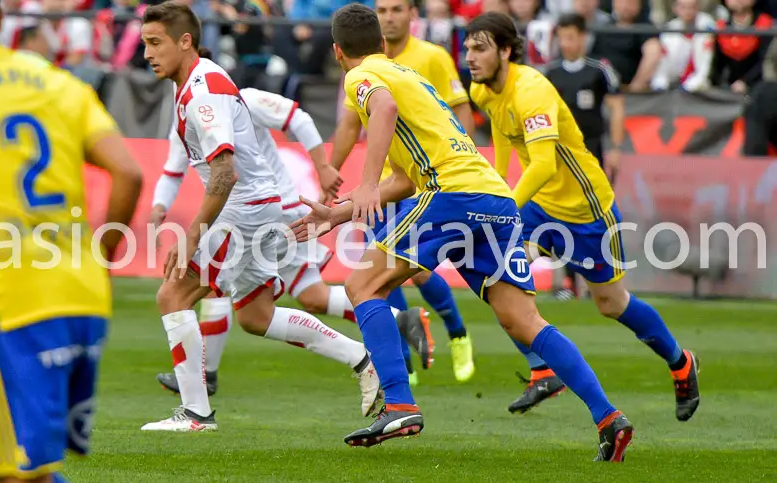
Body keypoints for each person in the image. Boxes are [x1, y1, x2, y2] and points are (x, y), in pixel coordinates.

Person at [292, 5, 633, 461]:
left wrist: (366, 182)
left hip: (453, 197)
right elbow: (405, 180)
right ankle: (609, 417)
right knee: (525, 321)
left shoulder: (363, 78)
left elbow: (383, 110)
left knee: (361, 284)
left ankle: (398, 403)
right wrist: (338, 213)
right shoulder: (411, 77)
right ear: (378, 40)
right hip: (495, 199)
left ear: (338, 51)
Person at [137, 2, 382, 432]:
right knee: (255, 316)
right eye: (144, 44)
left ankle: (196, 414)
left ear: (185, 41)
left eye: (155, 42)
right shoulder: (194, 84)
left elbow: (225, 172)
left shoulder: (202, 92)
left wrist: (194, 232)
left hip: (244, 210)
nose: (147, 53)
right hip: (260, 206)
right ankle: (362, 359)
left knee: (172, 294)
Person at [0, 1, 144, 482]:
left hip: (12, 303)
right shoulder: (55, 81)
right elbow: (128, 172)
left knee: (17, 473)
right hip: (84, 294)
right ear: (1, 22)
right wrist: (99, 258)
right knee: (31, 471)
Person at [466, 12, 701, 422]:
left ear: (505, 51)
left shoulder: (532, 90)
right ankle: (542, 369)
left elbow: (540, 164)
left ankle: (681, 363)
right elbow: (502, 130)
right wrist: (500, 184)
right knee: (496, 275)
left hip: (585, 207)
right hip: (540, 206)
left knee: (611, 304)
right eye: (467, 47)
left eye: (480, 48)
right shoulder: (483, 89)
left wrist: (505, 207)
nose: (469, 56)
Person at [151, 77, 428, 397]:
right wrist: (160, 204)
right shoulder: (187, 114)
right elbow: (173, 167)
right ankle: (396, 322)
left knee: (213, 287)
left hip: (272, 210)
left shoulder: (238, 98)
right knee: (303, 297)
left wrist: (325, 166)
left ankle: (204, 377)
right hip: (261, 210)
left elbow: (297, 116)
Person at [330, 0, 476, 385]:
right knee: (386, 268)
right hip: (405, 178)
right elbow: (351, 124)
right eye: (384, 9)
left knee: (389, 276)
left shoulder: (428, 58)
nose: (391, 15)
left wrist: (364, 185)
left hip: (439, 182)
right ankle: (405, 362)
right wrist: (332, 172)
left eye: (397, 9)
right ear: (379, 33)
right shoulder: (384, 70)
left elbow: (397, 109)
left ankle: (453, 336)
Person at [543, 13, 625, 300]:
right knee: (560, 214)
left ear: (582, 37)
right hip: (559, 155)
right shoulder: (550, 73)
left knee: (594, 215)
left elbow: (616, 107)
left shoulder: (600, 69)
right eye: (562, 37)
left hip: (591, 152)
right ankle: (567, 282)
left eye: (571, 37)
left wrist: (615, 147)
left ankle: (596, 280)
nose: (566, 43)